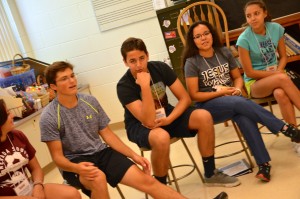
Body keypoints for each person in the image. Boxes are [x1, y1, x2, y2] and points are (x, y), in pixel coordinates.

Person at [39, 61, 188, 199]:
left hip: (102, 153)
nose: (71, 81)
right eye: (64, 79)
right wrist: (77, 168)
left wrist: (134, 155)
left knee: (148, 181)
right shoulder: (49, 116)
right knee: (98, 179)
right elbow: (58, 158)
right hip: (75, 162)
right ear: (53, 86)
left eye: (72, 76)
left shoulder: (90, 101)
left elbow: (108, 135)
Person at [182, 20, 300, 182]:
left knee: (243, 114)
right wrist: (222, 94)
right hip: (208, 106)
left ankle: (264, 165)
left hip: (231, 98)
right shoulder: (192, 62)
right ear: (193, 40)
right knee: (239, 103)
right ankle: (285, 128)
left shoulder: (223, 52)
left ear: (212, 34)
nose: (203, 38)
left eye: (206, 33)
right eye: (198, 36)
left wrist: (237, 89)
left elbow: (237, 78)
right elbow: (194, 95)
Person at [117, 37, 240, 190]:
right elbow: (148, 121)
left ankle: (210, 173)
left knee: (204, 116)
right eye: (132, 61)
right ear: (125, 62)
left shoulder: (159, 68)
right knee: (161, 137)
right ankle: (160, 189)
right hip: (139, 124)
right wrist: (144, 87)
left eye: (142, 58)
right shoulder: (123, 86)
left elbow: (185, 98)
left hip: (166, 114)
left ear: (147, 55)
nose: (139, 65)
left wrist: (170, 119)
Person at [0, 99, 81, 199]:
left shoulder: (17, 136)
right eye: (7, 114)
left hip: (28, 190)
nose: (12, 115)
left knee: (73, 195)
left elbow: (36, 168)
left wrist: (38, 185)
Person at [236, 0, 300, 126]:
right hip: (255, 83)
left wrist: (279, 71)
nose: (253, 18)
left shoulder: (276, 28)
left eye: (256, 13)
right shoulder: (243, 39)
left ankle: (295, 138)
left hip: (277, 75)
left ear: (265, 13)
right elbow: (249, 72)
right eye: (249, 16)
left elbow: (283, 57)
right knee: (282, 78)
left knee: (280, 93)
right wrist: (277, 74)